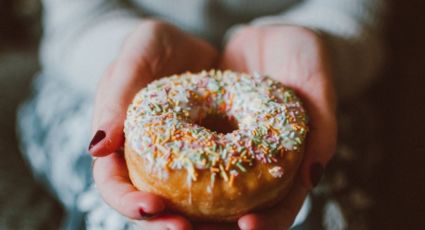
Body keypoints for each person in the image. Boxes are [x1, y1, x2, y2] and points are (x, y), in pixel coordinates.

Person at [18, 0, 385, 229]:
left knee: (321, 206)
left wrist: (316, 42)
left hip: (299, 77)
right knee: (112, 210)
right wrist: (126, 55)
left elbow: (355, 10)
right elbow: (79, 18)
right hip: (109, 67)